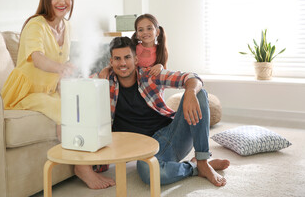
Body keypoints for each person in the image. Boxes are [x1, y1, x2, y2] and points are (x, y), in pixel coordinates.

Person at [1, 0, 115, 189]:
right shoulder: (36, 25)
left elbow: (64, 62)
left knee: (84, 103)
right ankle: (82, 168)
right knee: (66, 110)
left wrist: (72, 79)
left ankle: (91, 158)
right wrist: (61, 68)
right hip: (25, 91)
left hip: (49, 89)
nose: (62, 2)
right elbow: (37, 58)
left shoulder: (66, 27)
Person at [95, 36, 230, 186]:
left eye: (127, 57)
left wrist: (190, 92)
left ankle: (203, 160)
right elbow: (80, 86)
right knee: (149, 172)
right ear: (111, 62)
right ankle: (195, 167)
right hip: (145, 150)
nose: (122, 63)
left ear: (136, 59)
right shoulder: (104, 81)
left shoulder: (150, 76)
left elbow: (191, 77)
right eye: (117, 59)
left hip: (171, 136)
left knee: (199, 93)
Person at [99, 13, 168, 78]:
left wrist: (160, 66)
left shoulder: (161, 50)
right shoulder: (133, 49)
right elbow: (119, 63)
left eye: (149, 28)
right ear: (137, 34)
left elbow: (165, 75)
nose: (145, 32)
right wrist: (107, 69)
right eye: (141, 30)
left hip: (152, 87)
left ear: (157, 32)